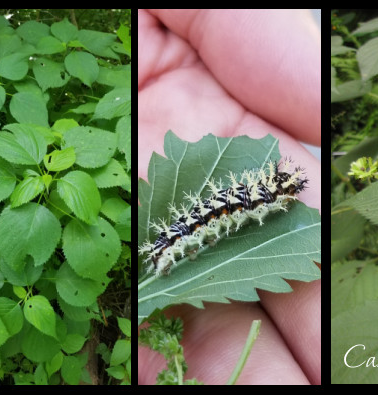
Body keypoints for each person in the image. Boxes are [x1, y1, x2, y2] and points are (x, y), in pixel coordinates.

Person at [137, 9, 321, 385]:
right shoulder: (244, 205)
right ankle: (162, 254)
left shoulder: (250, 202)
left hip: (178, 237)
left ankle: (163, 253)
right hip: (173, 241)